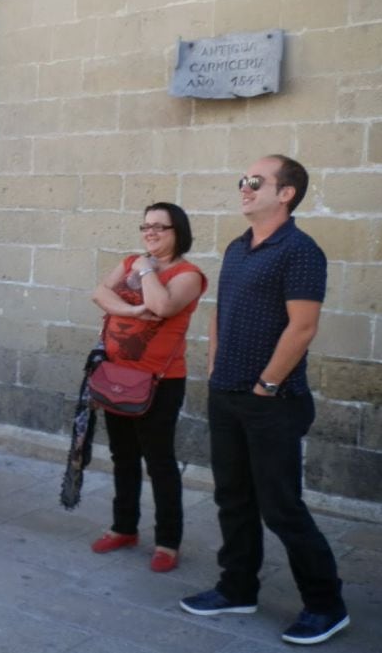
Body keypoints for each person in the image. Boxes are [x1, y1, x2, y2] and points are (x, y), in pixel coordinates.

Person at [181, 155, 350, 645]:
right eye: (242, 180)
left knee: (280, 507)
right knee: (232, 498)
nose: (244, 187)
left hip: (272, 400)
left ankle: (326, 605)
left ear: (286, 193)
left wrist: (267, 384)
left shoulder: (299, 250)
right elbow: (220, 312)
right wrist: (214, 366)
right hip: (227, 394)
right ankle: (237, 587)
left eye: (255, 181)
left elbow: (303, 327)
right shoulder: (238, 247)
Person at [89, 203, 206, 573]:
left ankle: (167, 541)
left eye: (160, 227)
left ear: (178, 232)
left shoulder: (189, 274)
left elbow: (162, 304)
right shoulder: (128, 262)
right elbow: (99, 295)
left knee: (159, 462)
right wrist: (134, 312)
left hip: (159, 382)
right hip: (116, 376)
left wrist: (145, 270)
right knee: (123, 456)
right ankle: (124, 527)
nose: (150, 233)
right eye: (146, 226)